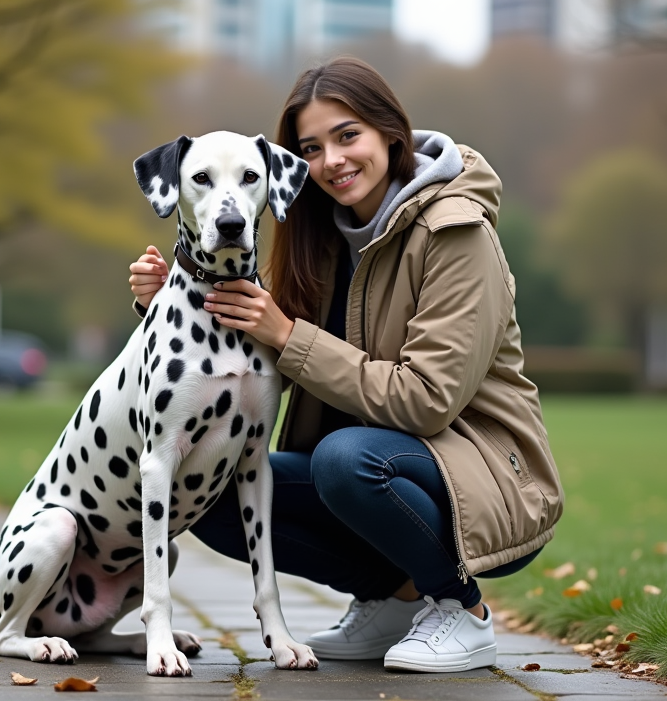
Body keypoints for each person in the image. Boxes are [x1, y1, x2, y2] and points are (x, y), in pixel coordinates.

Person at [127, 56, 563, 673]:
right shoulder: (323, 235)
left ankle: (461, 610)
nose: (332, 160)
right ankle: (391, 601)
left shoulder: (456, 232)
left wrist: (286, 333)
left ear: (391, 132)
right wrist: (172, 300)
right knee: (210, 487)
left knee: (346, 460)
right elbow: (242, 348)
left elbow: (426, 400)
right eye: (311, 147)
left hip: (486, 476)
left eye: (347, 135)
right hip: (387, 464)